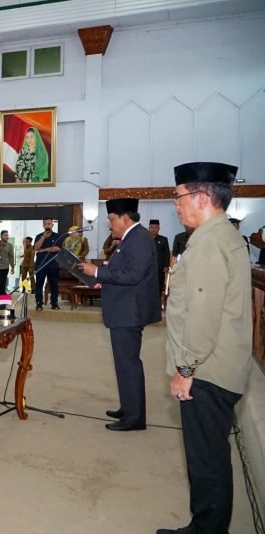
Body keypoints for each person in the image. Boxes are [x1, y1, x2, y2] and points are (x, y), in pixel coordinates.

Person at [156, 162, 252, 534]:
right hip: (218, 366)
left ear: (202, 196)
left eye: (178, 196)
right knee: (211, 456)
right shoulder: (222, 236)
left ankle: (206, 529)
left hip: (206, 371)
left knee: (206, 461)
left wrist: (185, 369)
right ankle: (207, 525)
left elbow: (202, 315)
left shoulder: (209, 243)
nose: (175, 205)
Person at [79, 198, 161, 432]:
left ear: (125, 218)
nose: (110, 224)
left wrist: (97, 272)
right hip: (125, 309)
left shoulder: (139, 239)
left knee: (128, 364)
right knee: (124, 364)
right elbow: (122, 271)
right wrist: (103, 280)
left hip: (129, 312)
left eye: (111, 219)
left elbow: (133, 275)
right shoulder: (131, 238)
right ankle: (128, 408)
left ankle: (134, 418)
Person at [33, 217, 61, 310]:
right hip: (40, 264)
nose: (47, 225)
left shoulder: (57, 236)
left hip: (53, 263)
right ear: (43, 225)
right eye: (45, 224)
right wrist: (43, 237)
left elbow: (58, 248)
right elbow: (36, 248)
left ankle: (54, 303)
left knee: (53, 283)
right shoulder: (39, 236)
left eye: (49, 224)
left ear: (52, 225)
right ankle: (39, 303)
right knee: (39, 283)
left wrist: (45, 249)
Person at [148, 219, 170, 294]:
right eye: (151, 227)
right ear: (148, 228)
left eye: (155, 227)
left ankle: (158, 300)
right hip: (147, 268)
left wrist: (166, 265)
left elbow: (167, 253)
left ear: (159, 229)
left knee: (159, 286)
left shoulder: (163, 239)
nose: (153, 229)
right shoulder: (145, 239)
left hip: (159, 268)